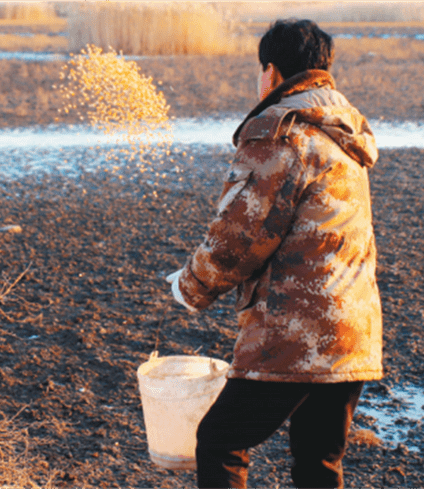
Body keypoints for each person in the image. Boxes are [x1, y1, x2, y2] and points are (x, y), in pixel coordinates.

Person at [165, 19, 383, 489]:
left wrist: (189, 286)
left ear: (271, 72)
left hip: (295, 332)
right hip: (353, 333)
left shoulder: (280, 131)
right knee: (317, 462)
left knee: (221, 440)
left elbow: (240, 237)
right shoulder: (346, 132)